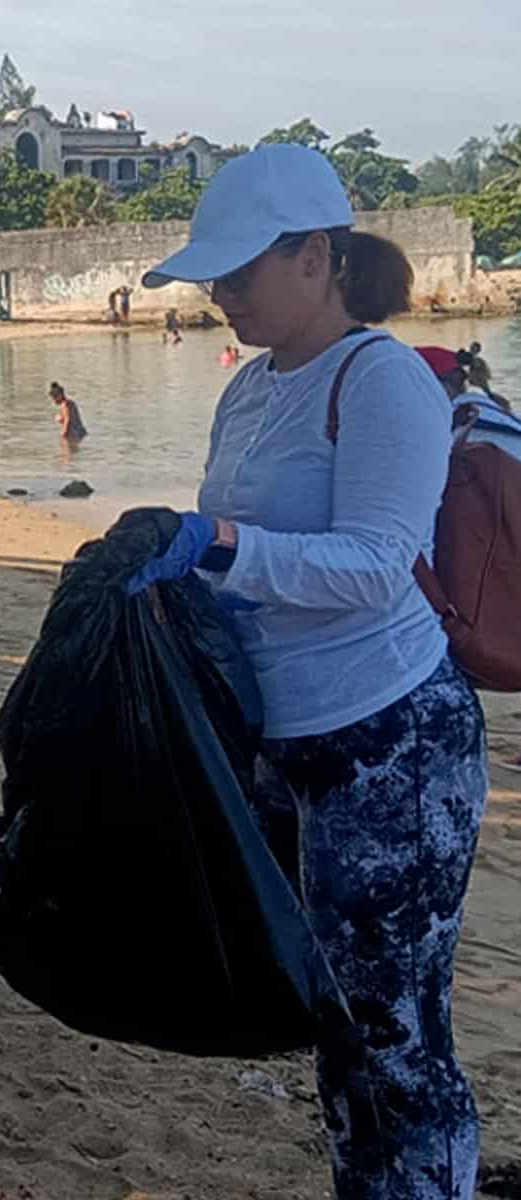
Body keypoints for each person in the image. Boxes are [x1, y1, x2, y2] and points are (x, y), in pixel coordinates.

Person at [128, 143, 484, 1200]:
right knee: (330, 1013)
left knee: (399, 1033)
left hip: (393, 747)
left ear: (319, 257)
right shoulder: (248, 393)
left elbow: (378, 566)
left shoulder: (380, 381)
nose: (223, 293)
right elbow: (240, 562)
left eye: (242, 273)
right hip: (285, 750)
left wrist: (221, 544)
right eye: (217, 277)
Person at [460, 341, 510, 413]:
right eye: (471, 348)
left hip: (481, 386)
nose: (471, 350)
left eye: (474, 349)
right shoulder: (472, 360)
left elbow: (474, 364)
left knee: (489, 395)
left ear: (477, 351)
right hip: (475, 386)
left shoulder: (478, 361)